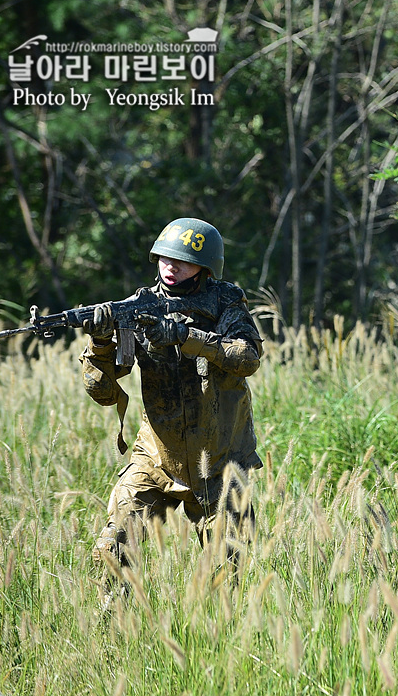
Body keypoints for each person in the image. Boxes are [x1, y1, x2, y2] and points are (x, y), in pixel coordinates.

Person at [81, 217, 264, 595]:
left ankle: (224, 643)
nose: (170, 264)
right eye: (164, 256)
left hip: (220, 456)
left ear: (206, 266)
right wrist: (100, 344)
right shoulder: (138, 306)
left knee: (229, 569)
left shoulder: (225, 300)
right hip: (157, 455)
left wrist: (186, 335)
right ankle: (112, 635)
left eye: (182, 259)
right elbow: (101, 393)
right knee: (114, 548)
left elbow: (247, 358)